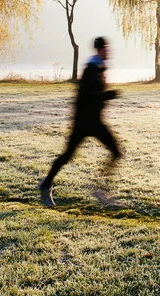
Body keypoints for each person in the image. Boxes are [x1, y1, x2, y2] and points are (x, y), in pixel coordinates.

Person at [39, 36, 122, 207]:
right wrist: (108, 95)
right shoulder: (91, 69)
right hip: (83, 122)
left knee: (116, 152)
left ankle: (101, 189)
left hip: (95, 121)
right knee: (67, 156)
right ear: (100, 50)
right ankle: (45, 185)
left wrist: (104, 99)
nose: (109, 51)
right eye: (106, 48)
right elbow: (87, 96)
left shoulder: (99, 68)